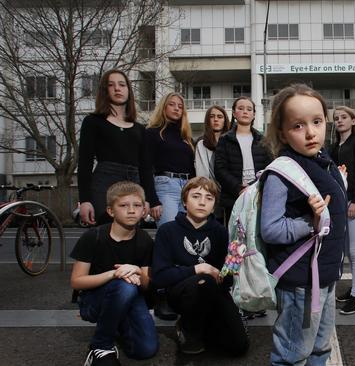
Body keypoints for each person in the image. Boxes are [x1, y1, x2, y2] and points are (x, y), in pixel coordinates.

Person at [261, 84, 347, 366]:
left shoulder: (325, 162)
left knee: (321, 348)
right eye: (298, 125)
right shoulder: (282, 171)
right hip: (300, 281)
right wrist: (308, 223)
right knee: (292, 353)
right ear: (282, 132)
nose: (311, 132)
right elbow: (271, 229)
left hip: (325, 275)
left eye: (317, 122)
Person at [150, 177, 249, 356]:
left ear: (214, 205)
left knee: (238, 346)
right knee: (203, 280)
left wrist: (234, 262)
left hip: (215, 291)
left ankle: (206, 325)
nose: (202, 202)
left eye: (209, 198)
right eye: (196, 196)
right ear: (185, 201)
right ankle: (188, 328)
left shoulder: (221, 232)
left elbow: (225, 280)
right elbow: (159, 277)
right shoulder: (168, 230)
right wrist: (197, 269)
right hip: (181, 294)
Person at [70, 181, 158, 366]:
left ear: (144, 211)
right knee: (125, 285)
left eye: (137, 206)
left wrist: (136, 271)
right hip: (95, 301)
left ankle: (117, 322)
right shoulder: (93, 237)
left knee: (146, 350)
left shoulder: (145, 241)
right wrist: (114, 274)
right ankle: (101, 346)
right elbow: (77, 282)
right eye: (124, 206)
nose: (131, 210)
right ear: (110, 211)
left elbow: (147, 284)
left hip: (130, 297)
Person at [77, 69, 158, 226]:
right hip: (104, 184)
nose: (117, 88)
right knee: (104, 236)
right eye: (111, 85)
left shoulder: (140, 129)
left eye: (122, 84)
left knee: (131, 238)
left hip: (134, 184)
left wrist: (148, 199)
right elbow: (85, 163)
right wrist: (85, 200)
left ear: (128, 90)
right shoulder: (92, 122)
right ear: (105, 91)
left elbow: (146, 168)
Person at [330, 106, 355, 315]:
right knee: (345, 251)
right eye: (336, 118)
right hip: (339, 205)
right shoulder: (334, 146)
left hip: (354, 203)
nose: (339, 121)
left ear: (354, 121)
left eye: (344, 117)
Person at [213, 96, 272, 225]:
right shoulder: (225, 139)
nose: (245, 112)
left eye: (249, 109)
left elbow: (269, 169)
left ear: (254, 114)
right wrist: (238, 187)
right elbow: (220, 169)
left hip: (257, 195)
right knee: (234, 237)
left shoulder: (263, 140)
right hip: (233, 196)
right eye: (241, 108)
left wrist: (255, 187)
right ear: (234, 113)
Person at [145, 92, 195, 226]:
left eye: (180, 106)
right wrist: (153, 200)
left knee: (185, 235)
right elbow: (145, 168)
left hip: (187, 188)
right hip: (166, 186)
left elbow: (192, 168)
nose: (177, 108)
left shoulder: (187, 137)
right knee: (169, 234)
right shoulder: (152, 133)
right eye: (171, 104)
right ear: (163, 107)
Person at [195, 105, 230, 181]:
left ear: (225, 121)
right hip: (209, 188)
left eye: (220, 117)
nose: (216, 119)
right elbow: (202, 173)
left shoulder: (231, 142)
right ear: (208, 120)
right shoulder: (201, 144)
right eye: (212, 116)